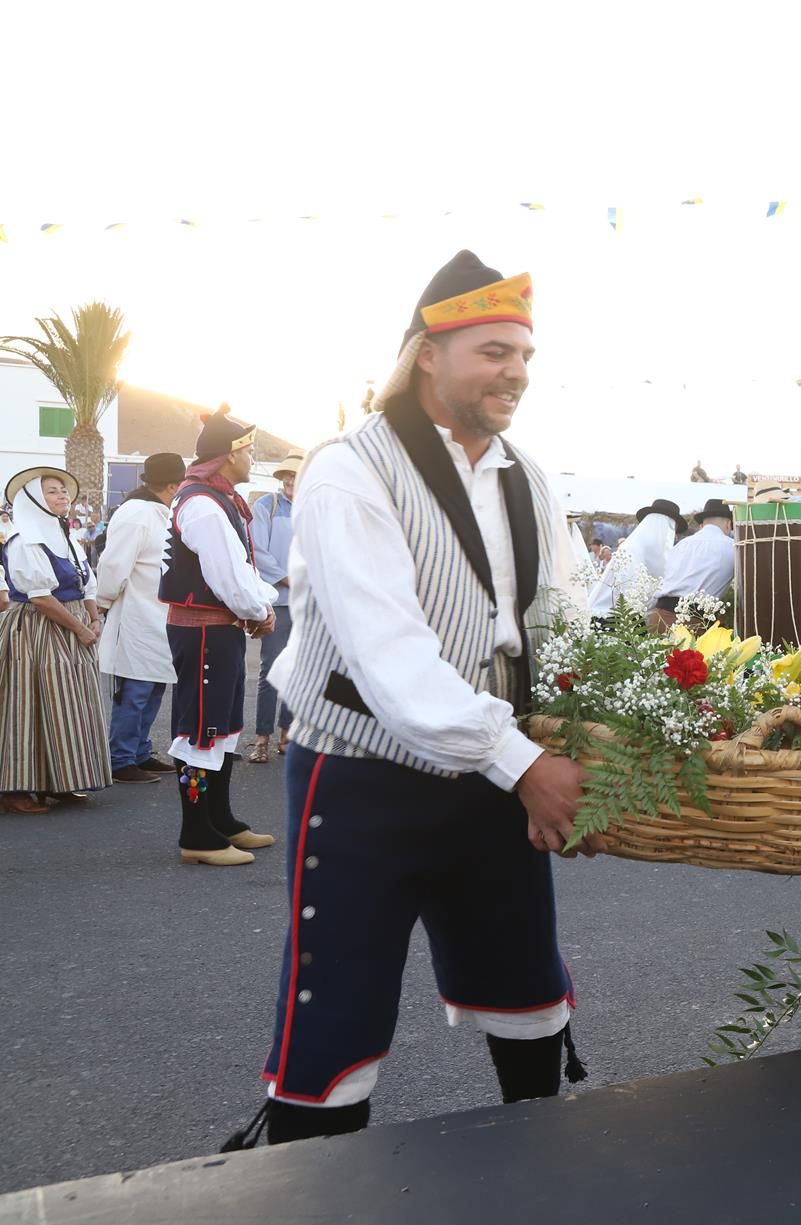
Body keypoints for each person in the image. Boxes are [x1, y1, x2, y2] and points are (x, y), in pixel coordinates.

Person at [224, 251, 587, 1150]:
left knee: (526, 984)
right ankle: (311, 1188)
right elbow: (392, 662)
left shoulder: (525, 475)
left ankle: (541, 1168)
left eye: (525, 356)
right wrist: (528, 762)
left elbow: (564, 616)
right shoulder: (350, 469)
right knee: (336, 1007)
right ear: (429, 351)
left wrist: (594, 723)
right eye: (494, 351)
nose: (516, 373)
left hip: (494, 774)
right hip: (363, 781)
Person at [162, 406, 280, 866]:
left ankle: (220, 820)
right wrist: (259, 610)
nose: (251, 456)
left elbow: (239, 569)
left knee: (223, 726)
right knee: (200, 731)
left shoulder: (215, 498)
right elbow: (227, 574)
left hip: (219, 629)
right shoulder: (203, 504)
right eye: (247, 449)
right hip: (207, 631)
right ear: (228, 455)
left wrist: (257, 607)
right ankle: (197, 834)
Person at [0, 467, 111, 814]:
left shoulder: (67, 539)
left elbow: (86, 584)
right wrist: (80, 629)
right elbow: (40, 596)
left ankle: (60, 780)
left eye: (63, 490)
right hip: (36, 631)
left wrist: (94, 618)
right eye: (52, 491)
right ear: (33, 499)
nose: (63, 496)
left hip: (73, 624)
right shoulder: (24, 542)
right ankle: (14, 789)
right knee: (28, 705)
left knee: (69, 705)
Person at [95, 452, 186, 783]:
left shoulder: (162, 511)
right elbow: (113, 565)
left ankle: (140, 753)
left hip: (160, 617)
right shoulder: (136, 514)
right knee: (134, 692)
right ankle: (121, 759)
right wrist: (102, 603)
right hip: (135, 617)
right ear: (173, 484)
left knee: (154, 688)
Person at [249, 452, 304, 763]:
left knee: (298, 670)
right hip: (278, 602)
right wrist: (287, 580)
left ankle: (287, 734)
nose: (290, 480)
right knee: (270, 670)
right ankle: (261, 738)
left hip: (307, 604)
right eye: (287, 474)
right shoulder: (266, 507)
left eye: (296, 474)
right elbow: (258, 552)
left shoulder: (315, 508)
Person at [587, 498, 683, 620]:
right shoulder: (631, 550)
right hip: (610, 620)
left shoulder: (651, 552)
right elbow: (626, 596)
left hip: (629, 621)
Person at [652, 497, 735, 629]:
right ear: (728, 524)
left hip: (659, 617)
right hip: (693, 622)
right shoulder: (732, 547)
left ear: (702, 525)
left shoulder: (681, 545)